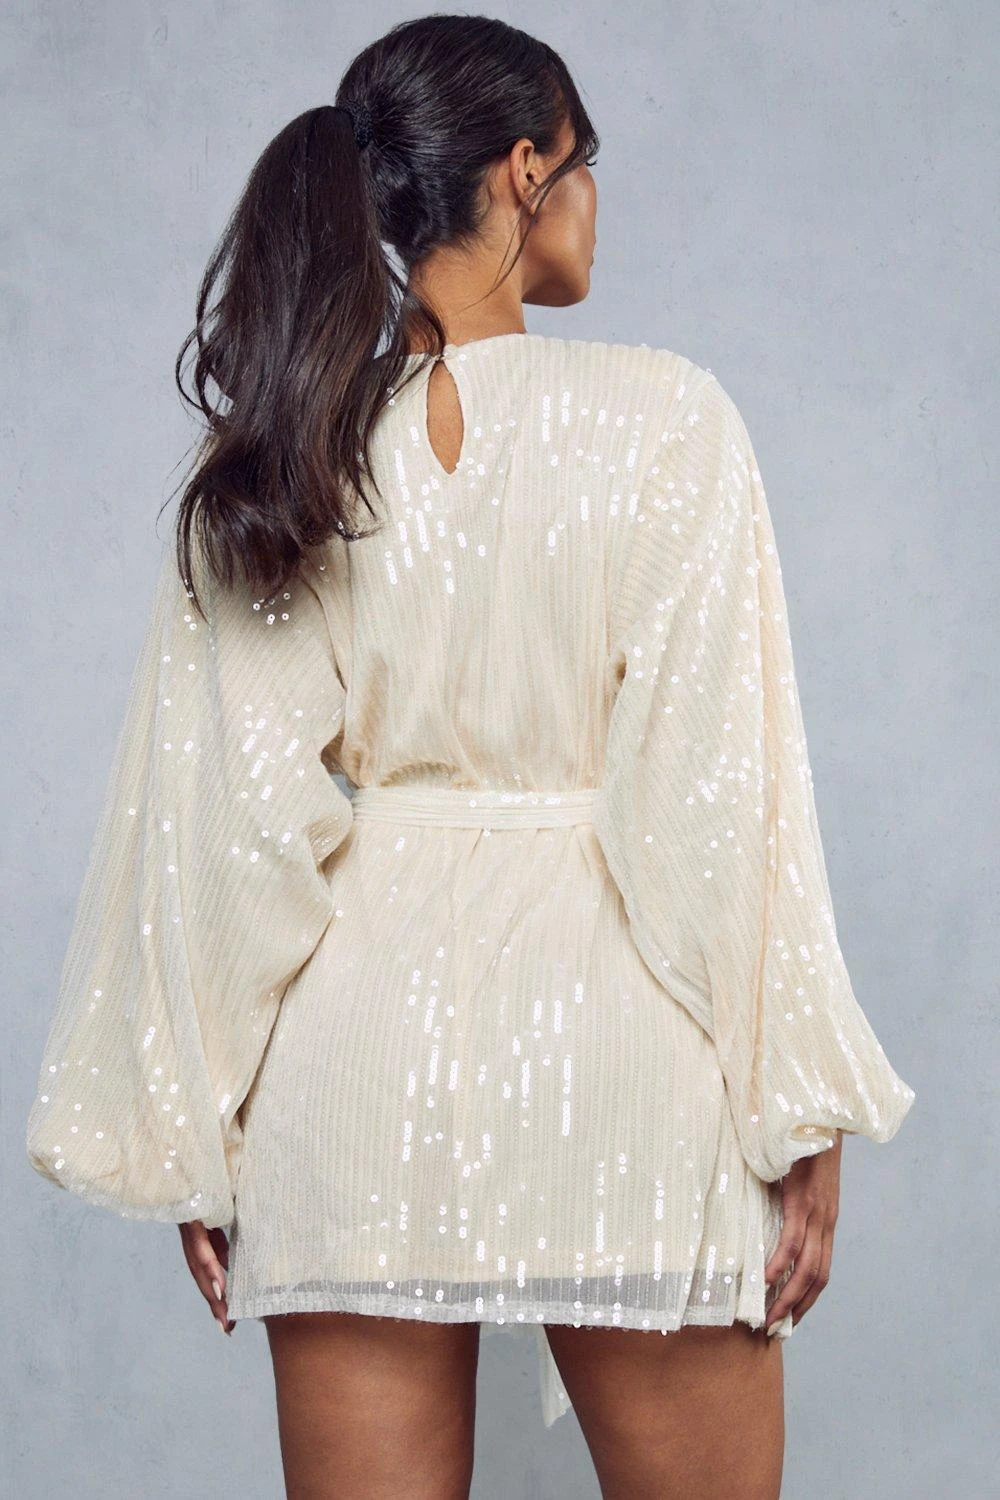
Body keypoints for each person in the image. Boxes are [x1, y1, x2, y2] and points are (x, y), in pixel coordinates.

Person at [25, 14, 915, 1498]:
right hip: (619, 1065)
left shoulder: (293, 449)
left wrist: (199, 1124)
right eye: (583, 160)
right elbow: (716, 799)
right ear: (521, 171)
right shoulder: (668, 421)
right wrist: (797, 1096)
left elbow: (228, 825)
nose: (592, 198)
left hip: (355, 1085)